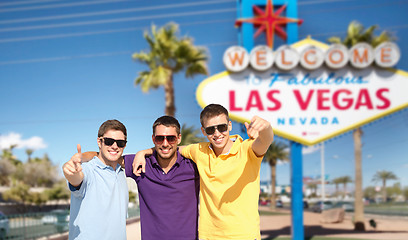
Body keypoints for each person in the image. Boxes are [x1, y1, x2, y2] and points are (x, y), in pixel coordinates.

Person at [134, 104, 274, 239]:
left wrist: (266, 128)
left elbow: (265, 141)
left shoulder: (247, 149)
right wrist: (144, 152)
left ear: (229, 125)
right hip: (209, 236)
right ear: (203, 131)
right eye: (210, 130)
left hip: (243, 236)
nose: (217, 133)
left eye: (222, 127)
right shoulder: (199, 150)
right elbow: (169, 147)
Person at [81, 116, 200, 239]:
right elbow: (105, 156)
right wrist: (78, 157)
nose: (165, 143)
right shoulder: (140, 164)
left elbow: (208, 149)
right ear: (153, 139)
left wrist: (144, 151)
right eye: (160, 138)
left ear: (179, 138)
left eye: (171, 138)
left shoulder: (193, 165)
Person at [62, 119, 129, 240]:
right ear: (99, 142)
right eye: (109, 141)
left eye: (120, 143)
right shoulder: (88, 170)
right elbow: (77, 179)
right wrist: (71, 173)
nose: (114, 146)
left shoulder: (121, 173)